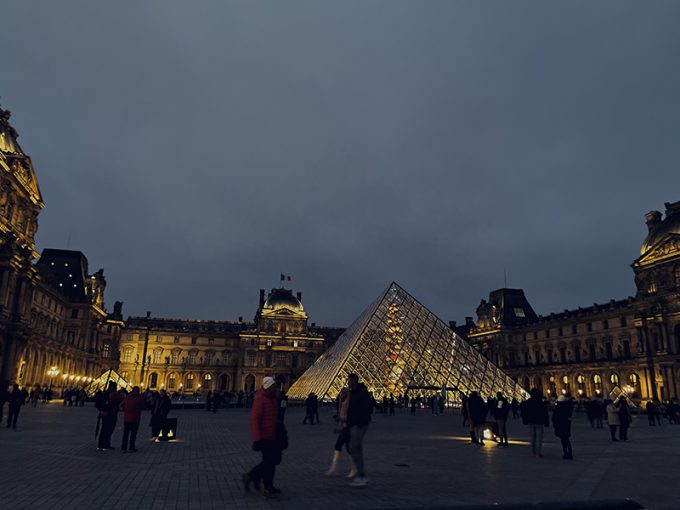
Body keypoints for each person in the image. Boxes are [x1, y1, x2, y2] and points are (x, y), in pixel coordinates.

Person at [243, 376, 282, 499]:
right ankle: (265, 486)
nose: (277, 388)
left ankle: (261, 481)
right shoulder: (261, 399)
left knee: (272, 462)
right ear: (269, 387)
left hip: (273, 435)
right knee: (269, 462)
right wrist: (257, 438)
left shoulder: (272, 398)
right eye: (274, 387)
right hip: (264, 436)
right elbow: (255, 419)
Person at [346, 373, 373, 487]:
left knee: (353, 447)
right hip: (353, 424)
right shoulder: (353, 393)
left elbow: (366, 409)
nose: (348, 383)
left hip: (360, 425)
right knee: (357, 449)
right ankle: (361, 474)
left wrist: (360, 422)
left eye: (349, 381)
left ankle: (361, 474)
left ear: (354, 381)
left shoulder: (361, 393)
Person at [326, 387, 354, 476]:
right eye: (341, 392)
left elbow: (351, 417)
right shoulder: (343, 403)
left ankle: (334, 468)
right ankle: (353, 469)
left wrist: (340, 418)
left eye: (343, 392)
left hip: (349, 428)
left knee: (340, 446)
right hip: (345, 428)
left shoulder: (348, 404)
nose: (341, 394)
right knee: (346, 448)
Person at [521, 388, 549, 458]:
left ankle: (533, 452)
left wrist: (525, 420)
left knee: (532, 438)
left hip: (531, 421)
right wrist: (546, 422)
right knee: (539, 438)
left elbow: (524, 412)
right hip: (539, 422)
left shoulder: (528, 402)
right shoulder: (541, 403)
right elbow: (545, 413)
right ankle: (538, 453)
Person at [97, 382, 123, 451]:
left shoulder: (105, 393)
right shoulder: (114, 394)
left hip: (104, 414)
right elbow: (121, 399)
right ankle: (106, 445)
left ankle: (100, 445)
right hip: (111, 414)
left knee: (103, 429)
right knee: (109, 430)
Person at [121, 386, 144, 452]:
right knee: (133, 434)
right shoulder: (139, 398)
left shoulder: (127, 397)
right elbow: (143, 405)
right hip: (135, 418)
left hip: (127, 418)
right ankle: (131, 446)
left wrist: (125, 409)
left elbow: (122, 404)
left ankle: (124, 446)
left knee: (125, 433)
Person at [552, 395, 573, 459]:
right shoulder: (567, 407)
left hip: (559, 426)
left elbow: (554, 418)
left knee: (563, 440)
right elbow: (570, 415)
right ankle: (570, 453)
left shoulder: (557, 408)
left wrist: (554, 425)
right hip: (566, 425)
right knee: (567, 440)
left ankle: (565, 453)